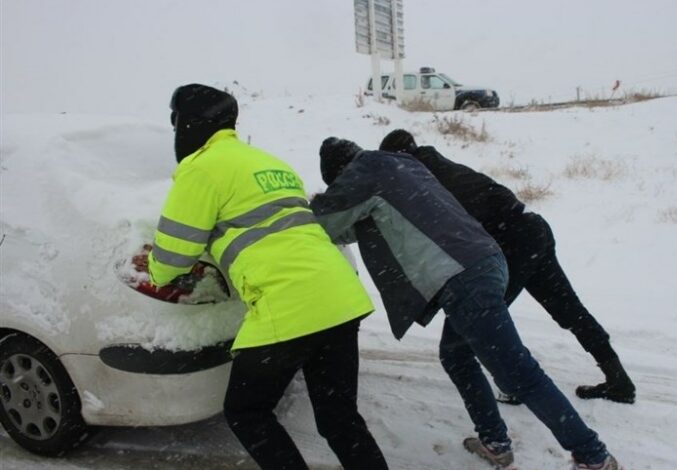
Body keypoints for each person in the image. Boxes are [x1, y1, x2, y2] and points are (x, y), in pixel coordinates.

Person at [310, 138, 623, 470]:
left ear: (340, 174)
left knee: (519, 373)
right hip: (486, 261)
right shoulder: (403, 168)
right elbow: (351, 227)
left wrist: (311, 205)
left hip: (464, 280)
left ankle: (594, 456)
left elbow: (325, 222)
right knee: (456, 355)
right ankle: (495, 442)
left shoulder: (365, 172)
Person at [146, 84, 388, 470]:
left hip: (288, 305)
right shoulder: (270, 163)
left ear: (186, 124)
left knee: (247, 412)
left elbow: (172, 258)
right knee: (339, 418)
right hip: (339, 297)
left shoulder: (200, 168)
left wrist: (155, 267)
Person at [378, 129, 635, 405]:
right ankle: (617, 377)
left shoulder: (423, 178)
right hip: (531, 227)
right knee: (568, 307)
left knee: (485, 320)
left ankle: (517, 384)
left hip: (512, 241)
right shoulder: (438, 164)